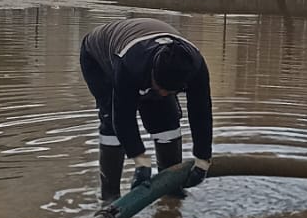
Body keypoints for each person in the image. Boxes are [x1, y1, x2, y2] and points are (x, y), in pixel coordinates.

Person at [79, 15, 212, 201]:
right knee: (111, 121)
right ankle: (110, 196)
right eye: (161, 88)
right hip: (99, 59)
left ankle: (170, 190)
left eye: (171, 91)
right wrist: (140, 160)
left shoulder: (195, 66)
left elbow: (202, 112)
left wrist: (202, 159)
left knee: (167, 119)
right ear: (152, 73)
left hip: (145, 52)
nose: (164, 94)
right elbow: (123, 117)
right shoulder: (128, 64)